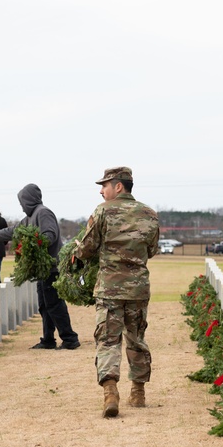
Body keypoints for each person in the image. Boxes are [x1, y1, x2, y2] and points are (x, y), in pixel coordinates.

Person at [72, 167, 160, 417]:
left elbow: (88, 248)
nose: (101, 191)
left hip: (110, 289)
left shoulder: (103, 211)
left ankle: (110, 391)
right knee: (136, 338)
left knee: (108, 340)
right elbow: (151, 250)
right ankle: (138, 391)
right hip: (138, 289)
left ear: (118, 186)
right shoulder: (150, 214)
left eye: (105, 185)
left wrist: (76, 254)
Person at [0, 184, 80, 351]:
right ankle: (48, 339)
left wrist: (32, 246)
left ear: (29, 199)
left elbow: (49, 235)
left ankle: (69, 339)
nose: (21, 205)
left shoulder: (42, 212)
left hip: (51, 266)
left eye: (22, 201)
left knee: (54, 304)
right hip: (41, 269)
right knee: (44, 305)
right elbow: (12, 231)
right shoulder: (29, 218)